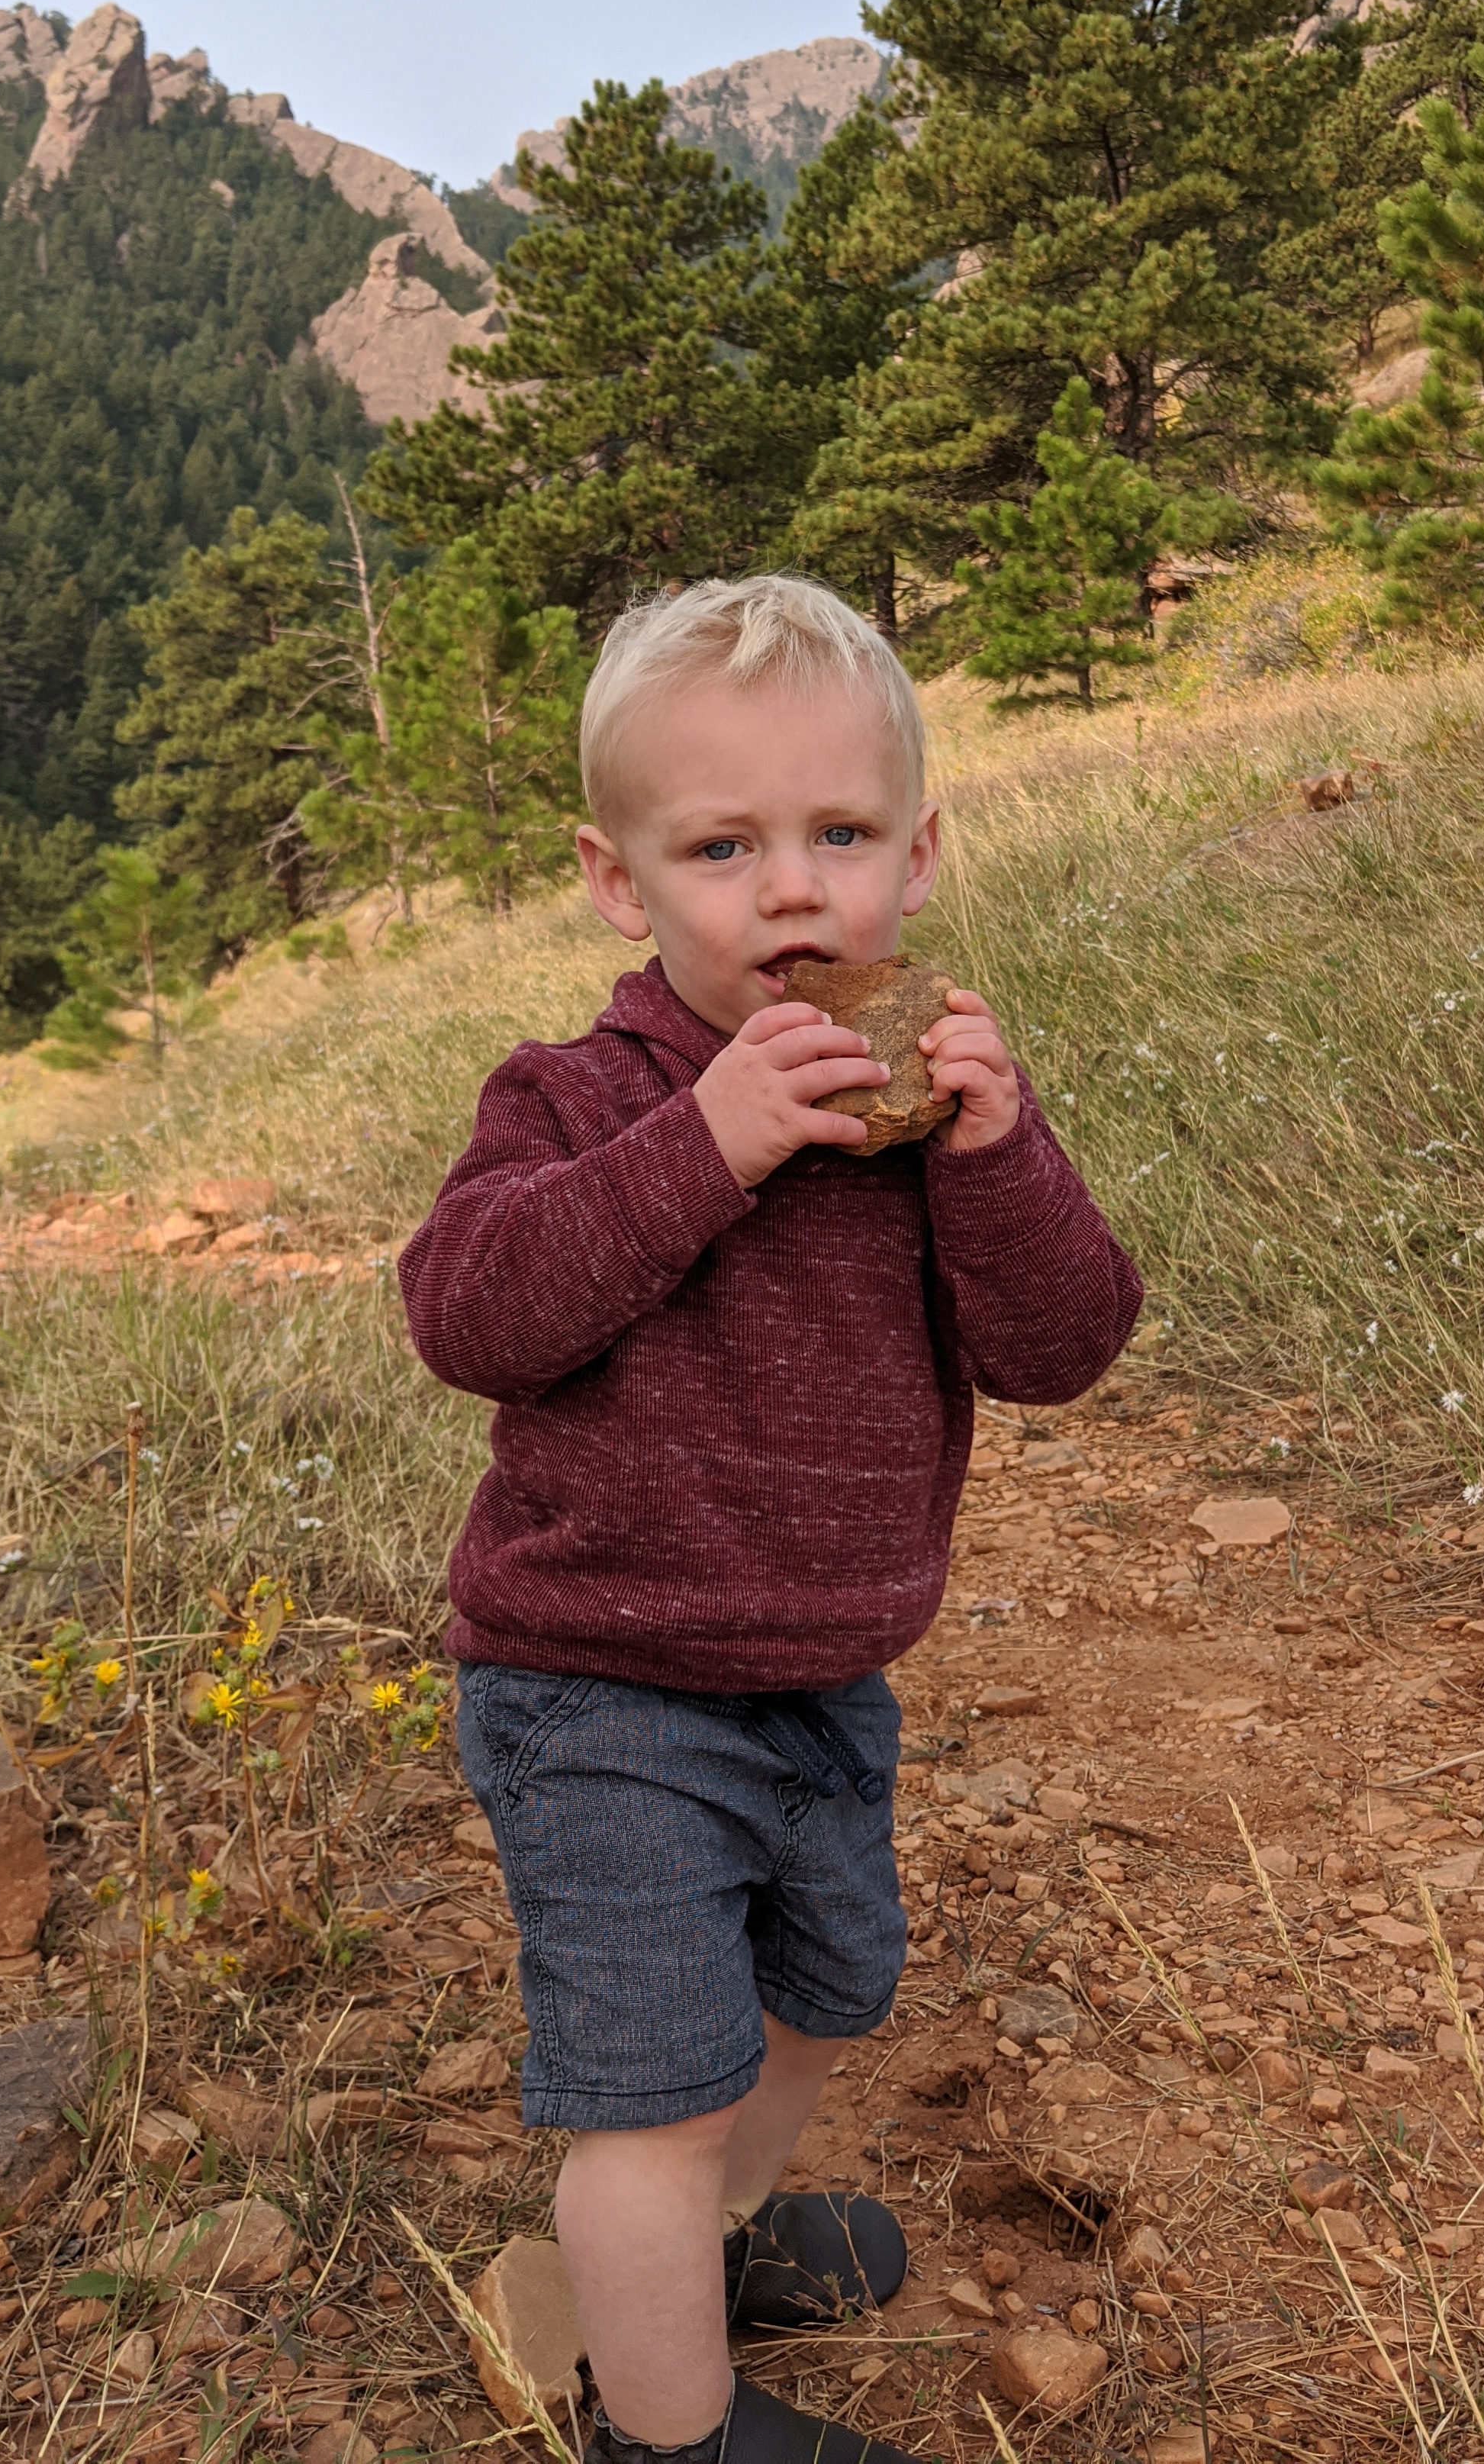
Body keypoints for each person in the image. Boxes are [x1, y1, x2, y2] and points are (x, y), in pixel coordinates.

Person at [399, 574, 1142, 2464]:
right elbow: (469, 1314)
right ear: (620, 881)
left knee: (824, 1988)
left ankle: (710, 2247)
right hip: (600, 1689)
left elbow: (1062, 1350)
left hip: (822, 1680)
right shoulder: (579, 1099)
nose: (793, 893)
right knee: (649, 2095)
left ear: (922, 853)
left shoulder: (931, 1113)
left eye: (842, 837)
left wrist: (1004, 1154)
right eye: (724, 848)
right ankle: (669, 2429)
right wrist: (706, 1144)